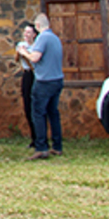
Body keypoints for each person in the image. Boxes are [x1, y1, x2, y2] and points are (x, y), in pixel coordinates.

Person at [18, 13, 65, 159]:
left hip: (44, 81)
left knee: (38, 113)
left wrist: (24, 52)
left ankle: (41, 147)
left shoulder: (43, 38)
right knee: (53, 113)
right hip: (57, 79)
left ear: (37, 26)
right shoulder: (55, 38)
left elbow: (35, 57)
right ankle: (57, 146)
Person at [15, 21, 39, 148]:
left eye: (29, 32)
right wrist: (19, 52)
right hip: (27, 75)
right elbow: (16, 59)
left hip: (36, 75)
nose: (26, 34)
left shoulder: (37, 46)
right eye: (25, 32)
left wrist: (25, 53)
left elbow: (34, 60)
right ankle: (34, 137)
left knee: (37, 106)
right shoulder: (21, 45)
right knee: (27, 106)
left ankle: (40, 137)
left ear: (34, 34)